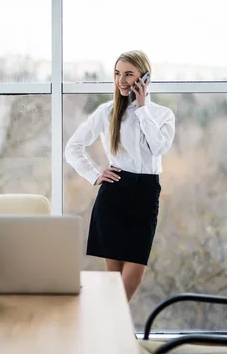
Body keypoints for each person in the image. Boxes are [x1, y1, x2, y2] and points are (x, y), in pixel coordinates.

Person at [65, 50, 176, 302]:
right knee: (113, 280)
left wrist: (143, 108)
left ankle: (109, 329)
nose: (122, 80)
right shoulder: (107, 112)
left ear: (145, 77)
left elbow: (159, 148)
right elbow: (72, 148)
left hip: (146, 193)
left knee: (133, 277)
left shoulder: (163, 115)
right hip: (115, 192)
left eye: (129, 74)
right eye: (117, 74)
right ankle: (114, 333)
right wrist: (95, 174)